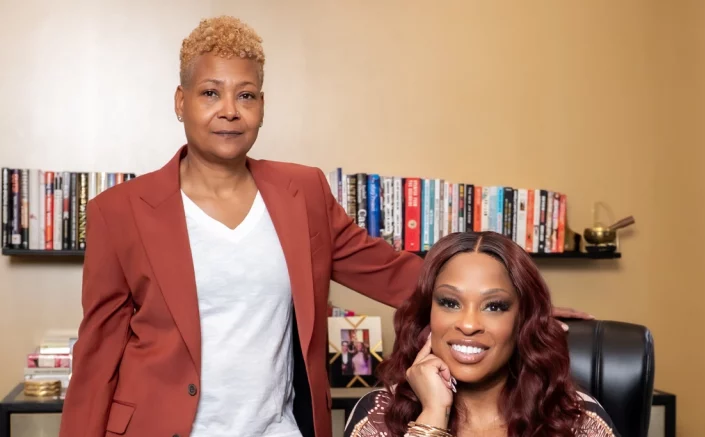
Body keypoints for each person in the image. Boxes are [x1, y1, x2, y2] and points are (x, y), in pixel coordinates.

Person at [58, 15, 591, 437]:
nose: (230, 110)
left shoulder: (302, 192)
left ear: (262, 106)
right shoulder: (118, 212)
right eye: (210, 93)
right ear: (181, 102)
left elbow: (387, 270)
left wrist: (522, 303)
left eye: (246, 94)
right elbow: (98, 354)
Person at [344, 232, 618, 437]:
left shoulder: (577, 419)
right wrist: (432, 417)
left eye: (494, 306)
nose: (468, 324)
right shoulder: (379, 416)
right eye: (450, 303)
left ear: (522, 321)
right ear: (428, 314)